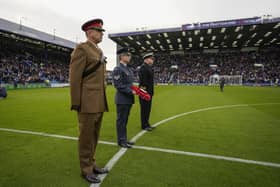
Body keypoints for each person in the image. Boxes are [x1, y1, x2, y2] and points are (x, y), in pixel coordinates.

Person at [69, 18, 109, 184]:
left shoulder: (98, 51)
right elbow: (75, 78)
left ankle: (92, 164)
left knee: (94, 136)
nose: (101, 34)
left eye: (101, 31)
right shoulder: (82, 49)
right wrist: (76, 102)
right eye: (99, 31)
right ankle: (86, 169)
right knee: (86, 137)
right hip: (86, 101)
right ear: (89, 32)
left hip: (98, 100)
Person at [112, 48, 135, 148]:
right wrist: (131, 91)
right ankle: (121, 140)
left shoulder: (128, 69)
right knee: (121, 121)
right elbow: (118, 85)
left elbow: (130, 84)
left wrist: (137, 90)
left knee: (125, 121)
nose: (129, 57)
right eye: (127, 55)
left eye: (129, 55)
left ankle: (124, 138)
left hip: (128, 99)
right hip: (122, 99)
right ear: (122, 56)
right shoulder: (118, 69)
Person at [138, 53, 155, 131]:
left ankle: (147, 123)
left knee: (148, 109)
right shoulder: (143, 68)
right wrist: (144, 94)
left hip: (149, 92)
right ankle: (144, 125)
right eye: (151, 59)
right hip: (145, 93)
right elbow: (143, 82)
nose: (152, 60)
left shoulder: (148, 68)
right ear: (146, 59)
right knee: (144, 109)